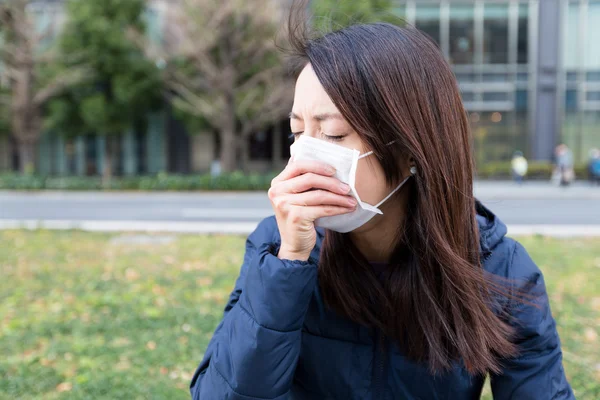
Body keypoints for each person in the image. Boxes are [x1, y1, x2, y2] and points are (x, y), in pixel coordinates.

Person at [190, 4, 574, 399]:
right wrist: (287, 265)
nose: (306, 156)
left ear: (412, 150)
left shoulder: (500, 266)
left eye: (334, 134)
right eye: (297, 132)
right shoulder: (275, 246)